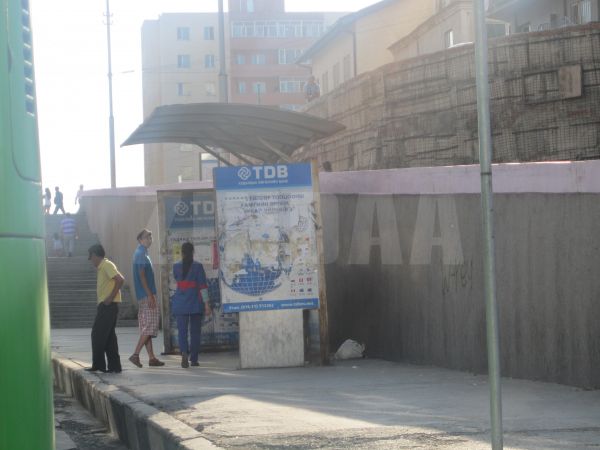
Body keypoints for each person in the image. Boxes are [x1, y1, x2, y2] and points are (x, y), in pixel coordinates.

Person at [171, 242, 212, 368]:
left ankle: (184, 352)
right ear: (193, 252)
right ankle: (194, 359)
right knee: (195, 332)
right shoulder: (198, 267)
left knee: (182, 332)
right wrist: (207, 304)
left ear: (182, 253)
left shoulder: (176, 266)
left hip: (180, 303)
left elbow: (177, 281)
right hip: (195, 303)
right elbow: (203, 287)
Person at [86, 244, 124, 373]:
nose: (91, 261)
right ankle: (115, 367)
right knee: (109, 338)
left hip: (108, 306)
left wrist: (110, 297)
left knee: (97, 334)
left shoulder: (106, 265)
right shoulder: (103, 267)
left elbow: (120, 280)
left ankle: (98, 365)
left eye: (91, 258)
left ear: (95, 255)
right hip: (107, 306)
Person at [129, 229, 164, 368]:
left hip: (144, 294)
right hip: (147, 295)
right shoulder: (140, 253)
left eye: (150, 237)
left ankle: (151, 358)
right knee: (149, 326)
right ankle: (135, 355)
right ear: (140, 240)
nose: (149, 239)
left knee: (147, 327)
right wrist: (150, 295)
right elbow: (142, 275)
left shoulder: (142, 252)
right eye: (146, 237)